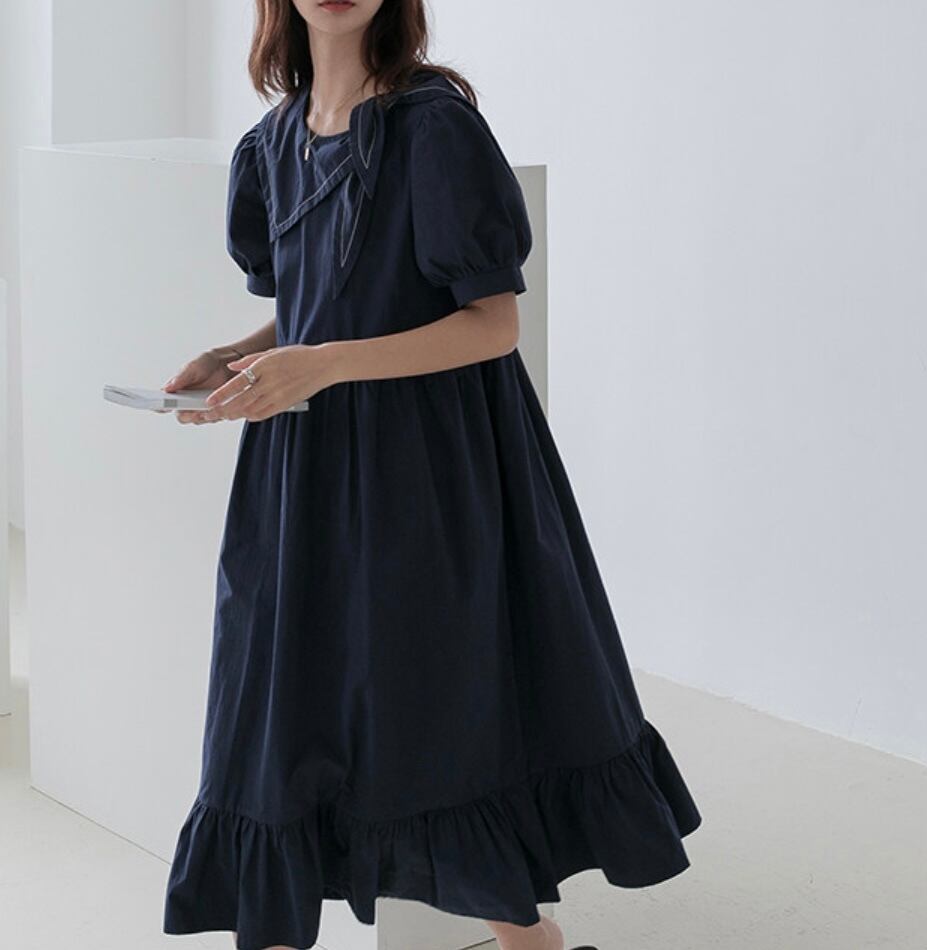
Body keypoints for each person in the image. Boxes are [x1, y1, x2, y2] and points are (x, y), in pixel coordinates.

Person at [160, 2, 702, 949]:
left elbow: (493, 325)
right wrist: (239, 356)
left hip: (427, 467)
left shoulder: (436, 127)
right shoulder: (273, 145)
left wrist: (322, 364)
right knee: (281, 707)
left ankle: (529, 940)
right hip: (306, 469)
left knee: (435, 703)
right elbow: (322, 302)